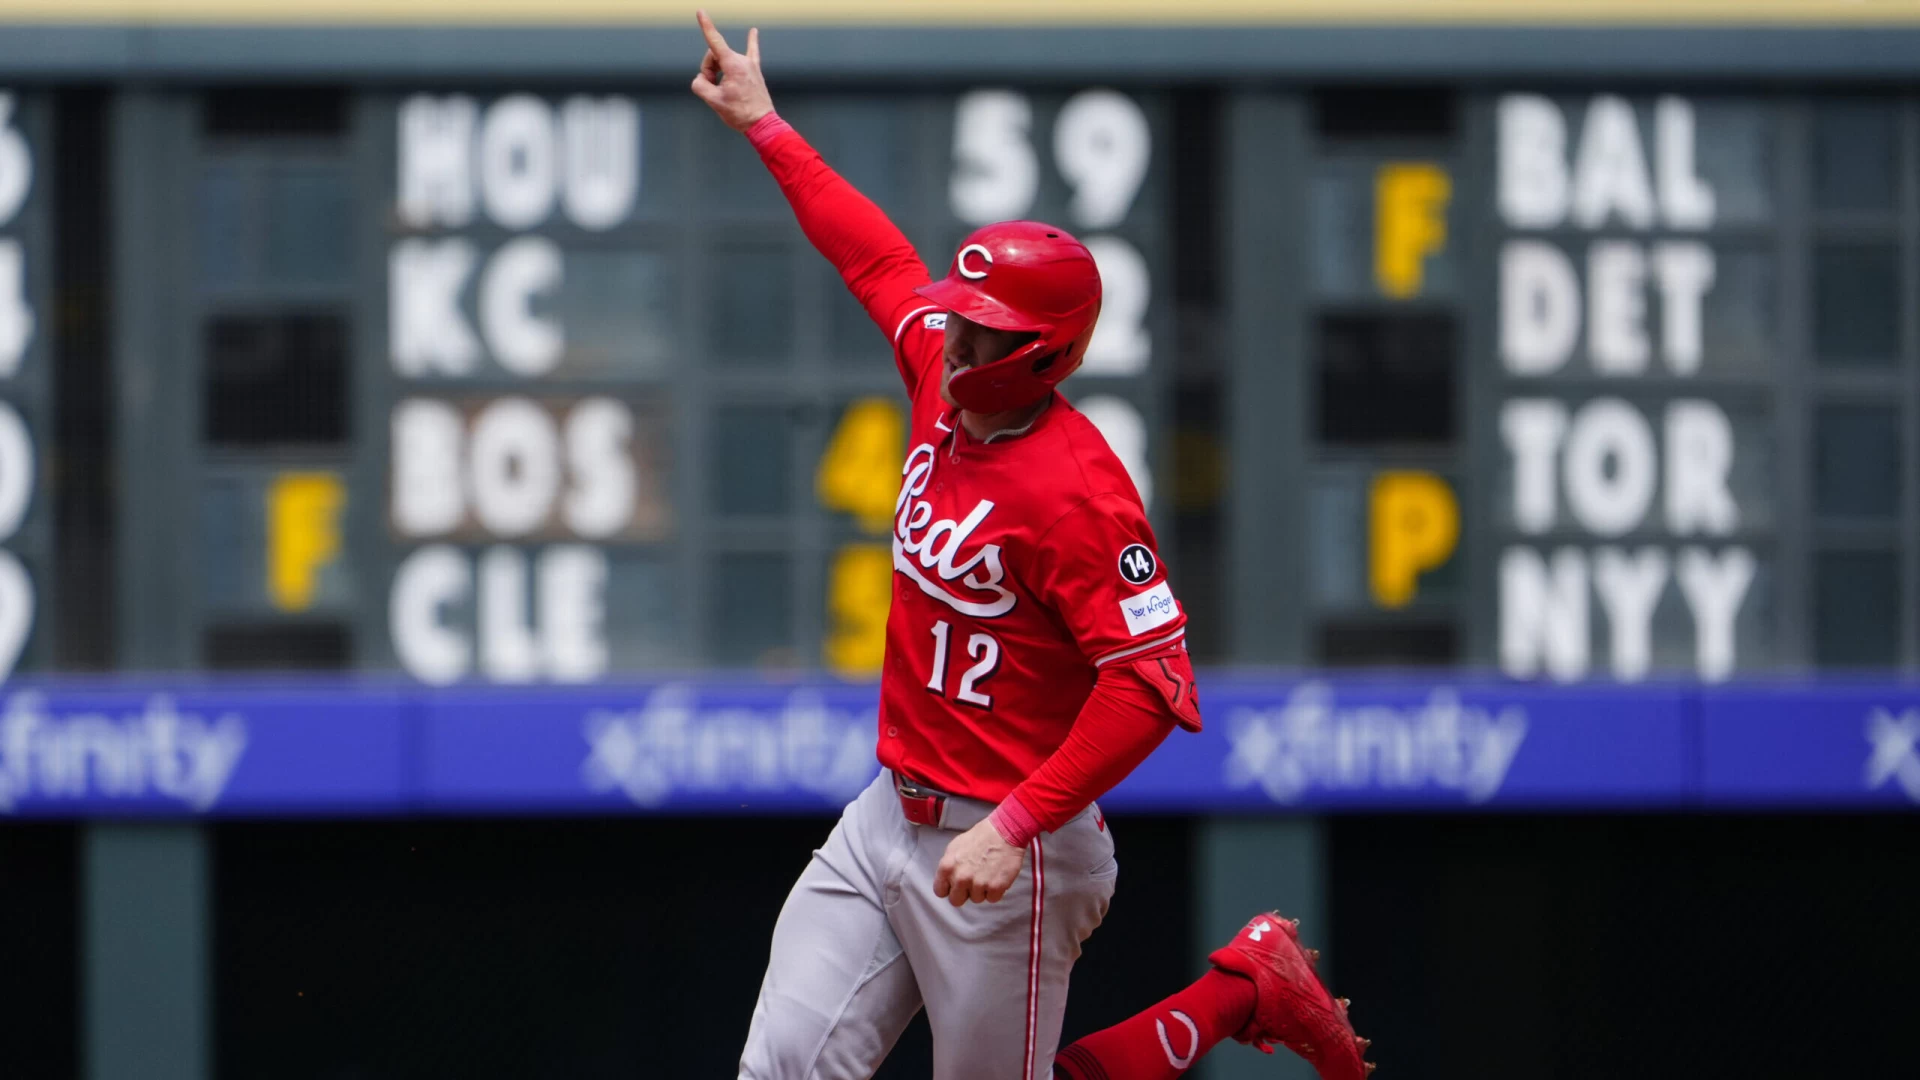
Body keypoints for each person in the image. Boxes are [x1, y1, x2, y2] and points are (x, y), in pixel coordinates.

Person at [690, 12, 1371, 1080]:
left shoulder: (1078, 493)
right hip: (887, 815)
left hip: (1017, 843)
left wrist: (1016, 823)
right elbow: (875, 259)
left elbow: (1152, 685)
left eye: (982, 328)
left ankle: (1238, 988)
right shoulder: (940, 374)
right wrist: (767, 125)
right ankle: (1243, 987)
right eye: (957, 316)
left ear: (1043, 351)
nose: (952, 334)